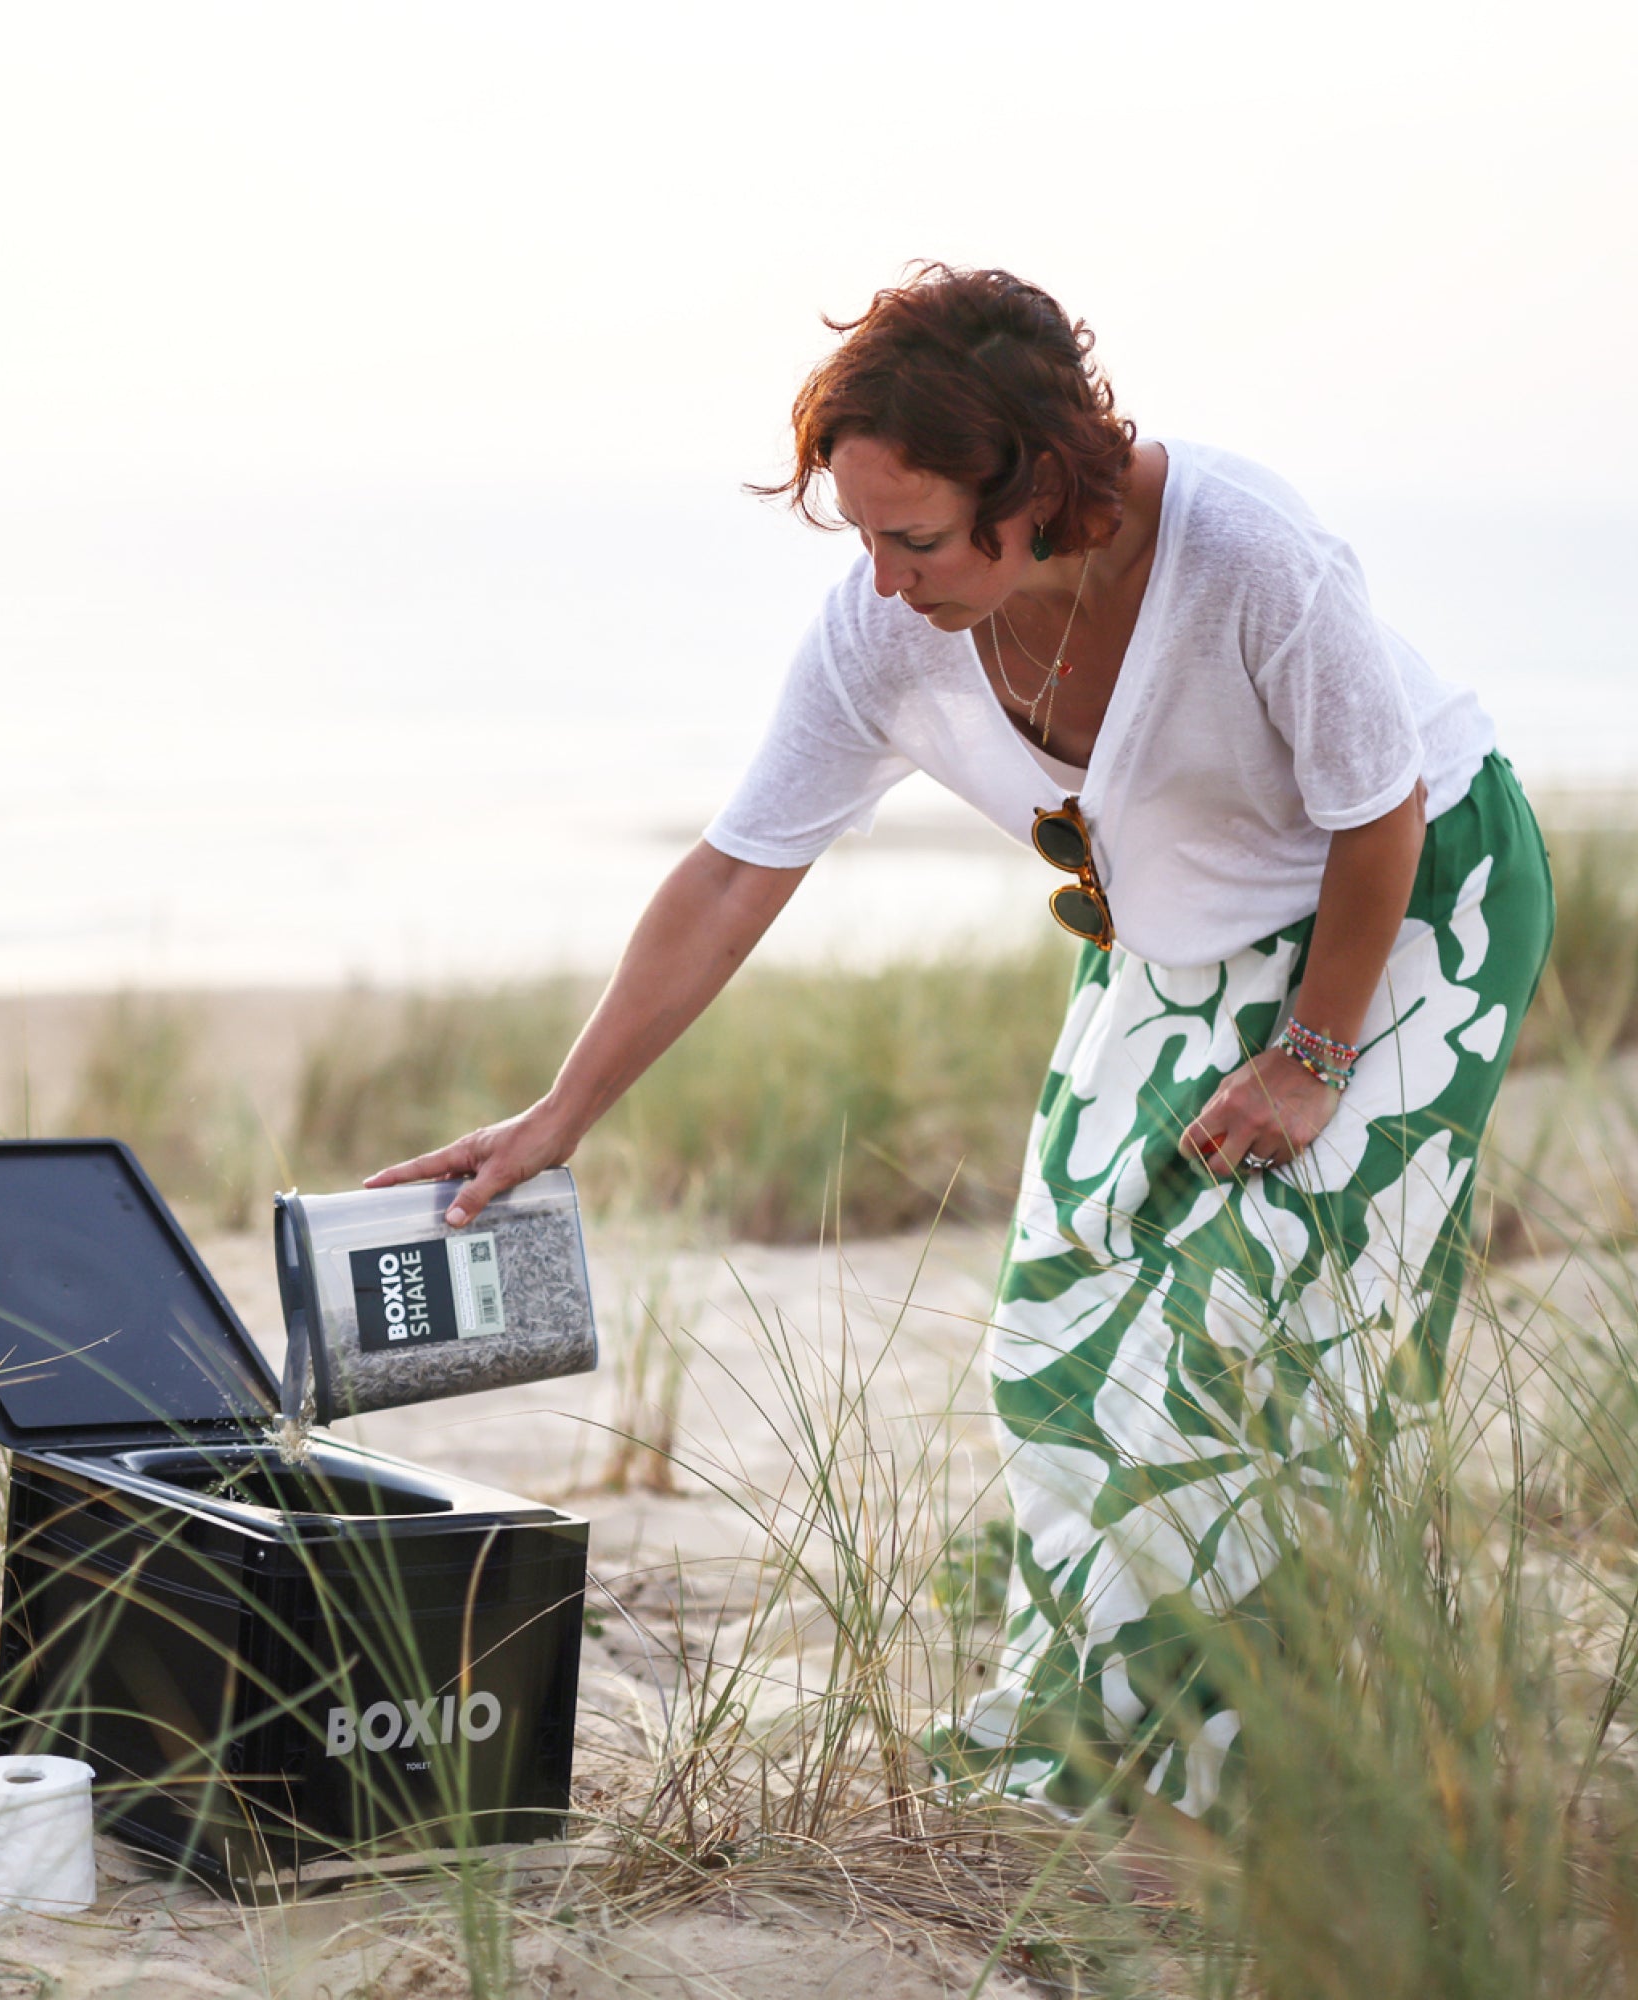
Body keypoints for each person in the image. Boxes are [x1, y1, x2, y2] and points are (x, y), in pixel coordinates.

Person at [366, 266, 1554, 1831]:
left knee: (1247, 1350)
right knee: (1055, 1344)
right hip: (1181, 931)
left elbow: (1378, 809)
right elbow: (737, 869)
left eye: (912, 538)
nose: (881, 580)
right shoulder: (890, 633)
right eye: (858, 534)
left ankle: (1237, 1802)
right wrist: (558, 1115)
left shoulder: (1252, 557)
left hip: (1407, 910)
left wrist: (1314, 1058)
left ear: (1042, 487)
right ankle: (1100, 1740)